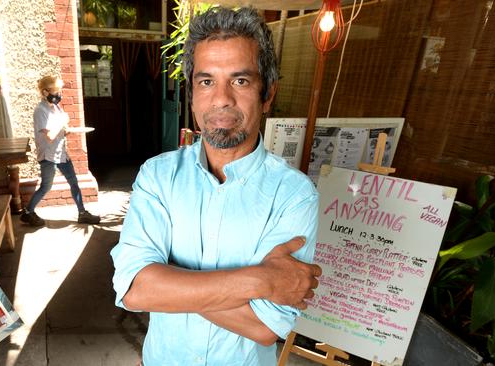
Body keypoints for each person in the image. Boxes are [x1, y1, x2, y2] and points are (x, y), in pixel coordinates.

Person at [111, 7, 322, 366]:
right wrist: (261, 279)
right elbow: (135, 289)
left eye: (240, 80)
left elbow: (264, 326)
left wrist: (169, 285)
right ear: (192, 93)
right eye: (206, 81)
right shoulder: (158, 177)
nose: (221, 98)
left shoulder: (294, 195)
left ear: (268, 94)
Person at [20, 75, 100, 226]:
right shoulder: (40, 111)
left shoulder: (55, 107)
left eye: (59, 91)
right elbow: (49, 136)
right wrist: (63, 122)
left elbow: (59, 131)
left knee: (74, 182)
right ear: (44, 92)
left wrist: (67, 130)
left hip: (61, 153)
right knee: (46, 187)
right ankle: (28, 211)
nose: (58, 95)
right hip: (48, 155)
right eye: (55, 91)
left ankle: (82, 213)